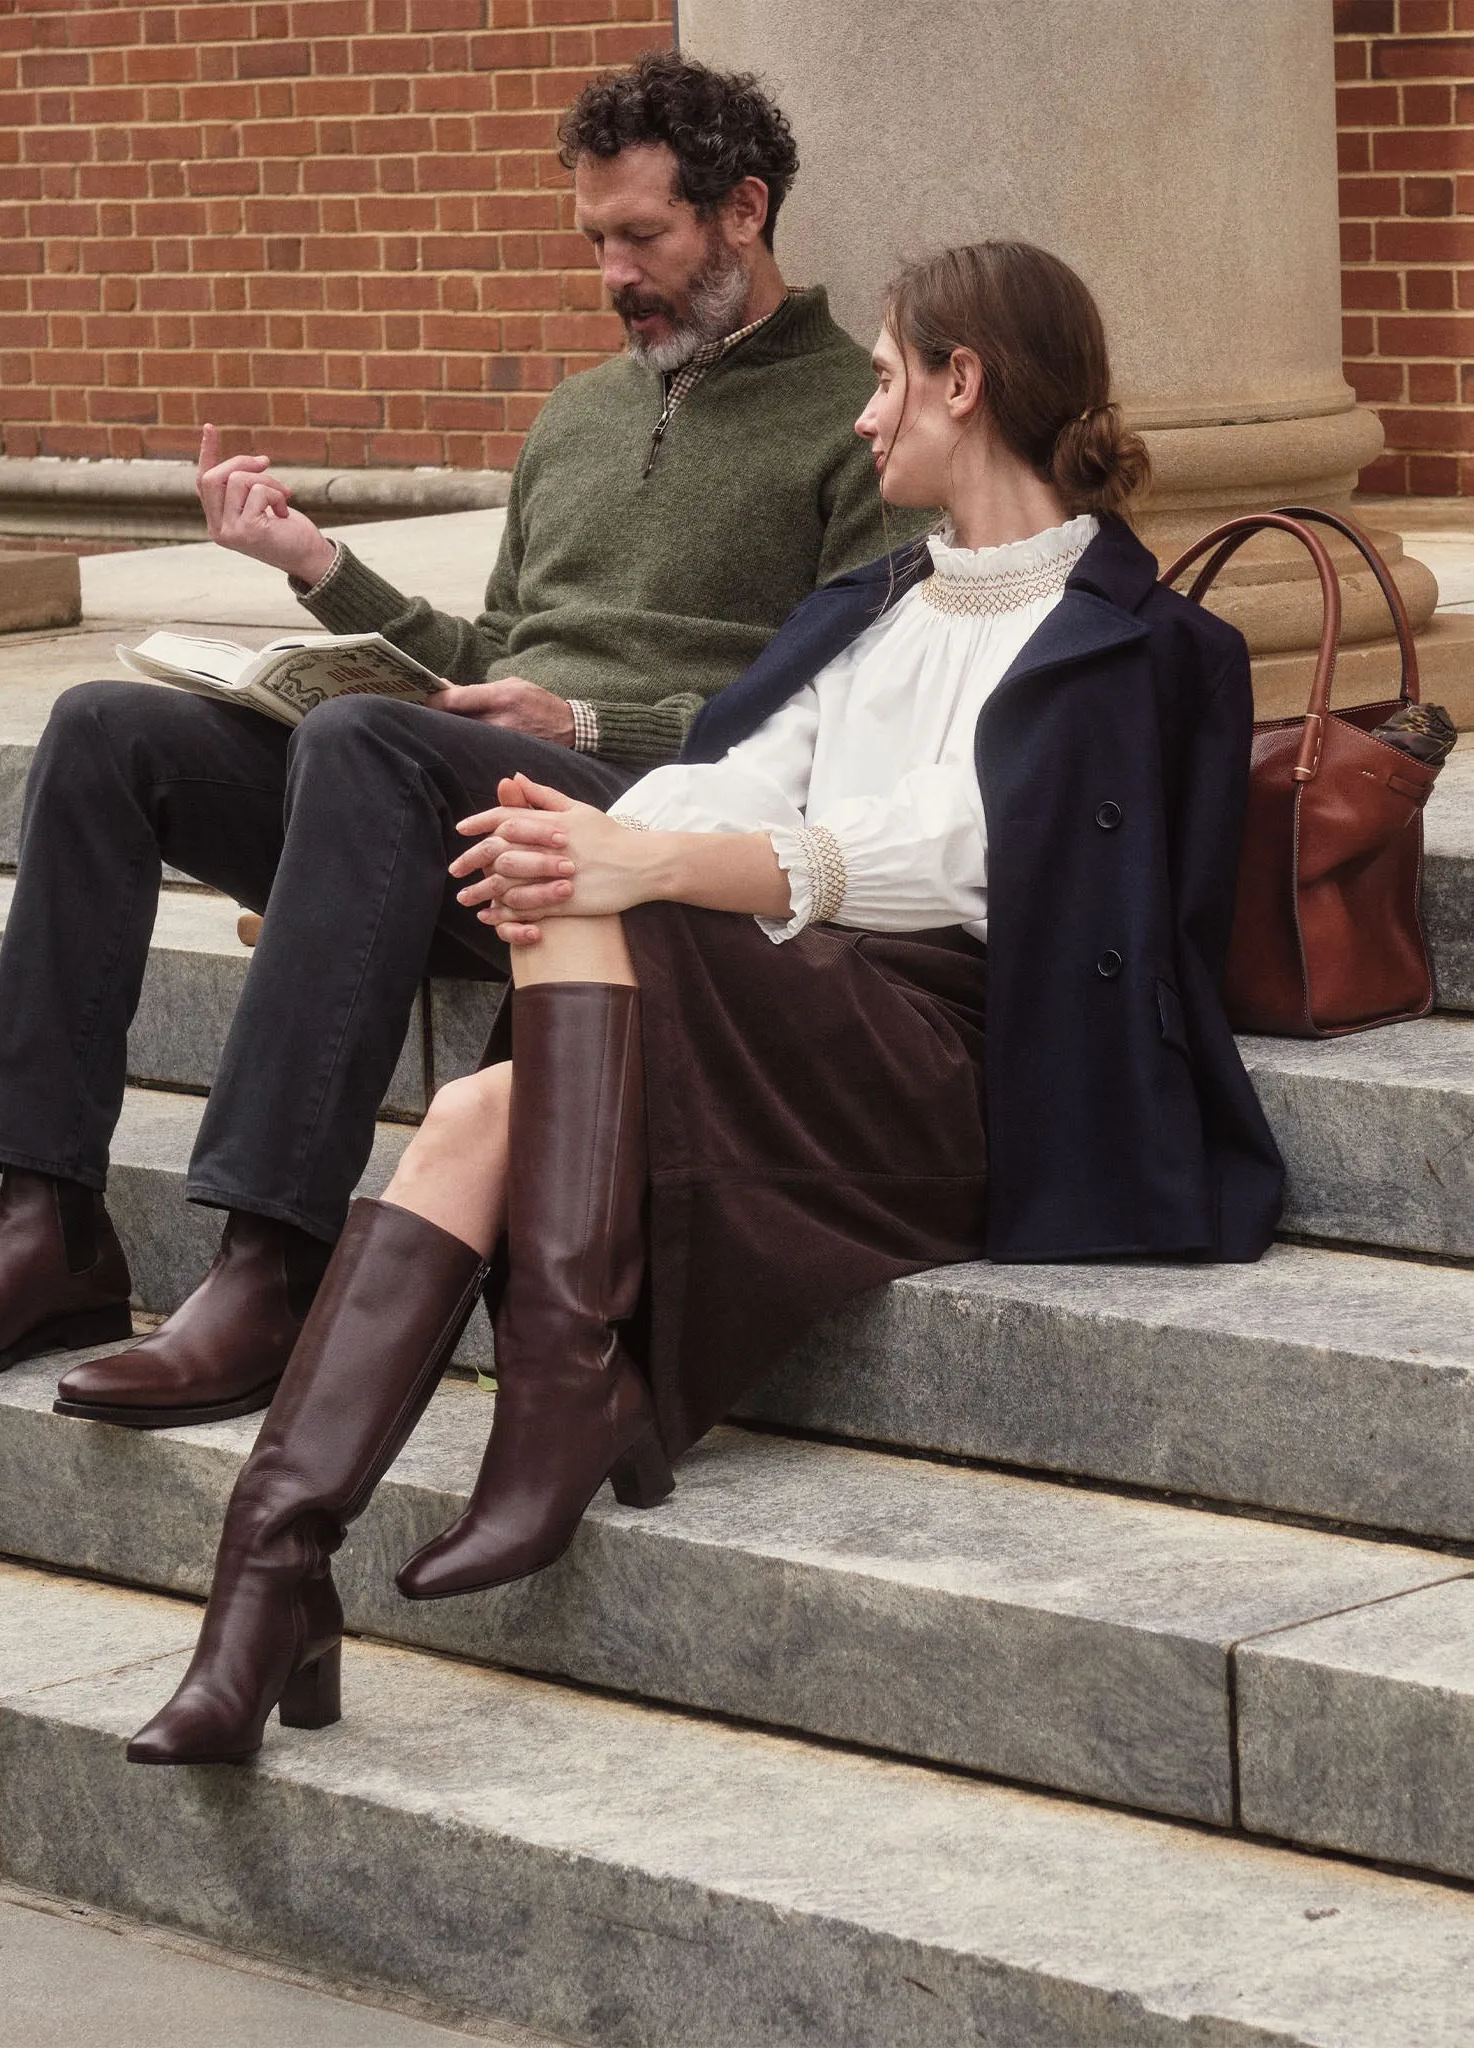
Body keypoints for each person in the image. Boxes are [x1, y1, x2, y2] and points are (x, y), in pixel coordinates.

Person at [124, 238, 1285, 1767]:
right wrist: (597, 833)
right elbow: (733, 773)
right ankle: (275, 1575)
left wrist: (650, 860)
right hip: (796, 1013)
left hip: (956, 1065)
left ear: (964, 382)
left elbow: (972, 855)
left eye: (886, 380)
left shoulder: (1146, 644)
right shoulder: (878, 607)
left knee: (614, 902)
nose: (863, 415)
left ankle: (553, 1392)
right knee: (484, 1096)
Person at [0, 52, 900, 1423]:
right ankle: (45, 1224)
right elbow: (490, 656)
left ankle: (272, 1259)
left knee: (365, 744)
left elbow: (851, 711)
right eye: (593, 240)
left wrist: (594, 720)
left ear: (744, 211)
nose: (612, 274)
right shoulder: (579, 415)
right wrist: (315, 564)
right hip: (455, 801)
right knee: (107, 728)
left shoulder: (859, 422)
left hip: (641, 837)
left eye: (641, 236)